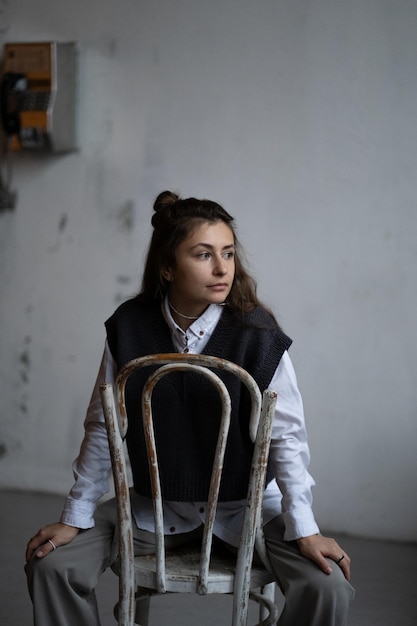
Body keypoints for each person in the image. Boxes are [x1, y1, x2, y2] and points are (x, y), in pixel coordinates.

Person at [25, 190, 354, 625]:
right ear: (167, 267)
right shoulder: (129, 328)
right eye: (203, 255)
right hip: (153, 513)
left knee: (328, 585)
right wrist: (75, 516)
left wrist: (305, 529)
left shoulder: (258, 336)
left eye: (228, 254)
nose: (222, 269)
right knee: (51, 566)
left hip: (247, 515)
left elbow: (286, 439)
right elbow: (104, 426)